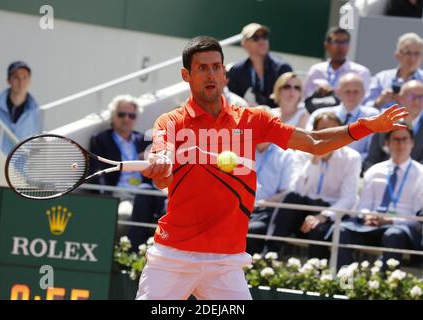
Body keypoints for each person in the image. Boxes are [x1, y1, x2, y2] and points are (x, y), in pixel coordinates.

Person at [136, 36, 408, 300]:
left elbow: (313, 142)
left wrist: (366, 127)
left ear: (225, 73)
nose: (211, 75)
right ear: (186, 75)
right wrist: (159, 164)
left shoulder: (252, 119)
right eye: (202, 68)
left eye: (216, 67)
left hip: (226, 261)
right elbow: (162, 173)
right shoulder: (170, 122)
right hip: (174, 255)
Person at [270, 112, 362, 259]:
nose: (329, 133)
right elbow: (297, 190)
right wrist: (315, 161)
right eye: (324, 129)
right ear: (315, 132)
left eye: (334, 129)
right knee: (291, 199)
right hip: (305, 206)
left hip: (330, 211)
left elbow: (348, 198)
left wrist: (323, 216)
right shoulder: (302, 153)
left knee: (317, 229)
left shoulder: (352, 158)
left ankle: (316, 273)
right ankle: (270, 254)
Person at [338, 126, 423, 268]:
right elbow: (364, 205)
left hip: (401, 228)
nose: (400, 144)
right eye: (396, 139)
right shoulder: (375, 170)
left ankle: (383, 286)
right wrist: (367, 216)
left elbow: (417, 217)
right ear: (387, 143)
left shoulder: (421, 174)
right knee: (341, 230)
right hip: (371, 225)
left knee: (393, 234)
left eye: (404, 139)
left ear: (412, 143)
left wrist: (390, 221)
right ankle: (345, 282)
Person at [307, 73, 379, 160]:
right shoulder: (320, 114)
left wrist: (348, 161)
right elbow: (309, 142)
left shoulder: (373, 116)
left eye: (356, 91)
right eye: (347, 91)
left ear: (364, 93)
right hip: (321, 163)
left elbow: (372, 152)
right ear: (338, 92)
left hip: (358, 167)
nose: (351, 96)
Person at [0, 61, 40, 154]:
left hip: (20, 167)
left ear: (29, 80)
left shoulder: (37, 113)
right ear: (8, 80)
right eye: (16, 77)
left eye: (25, 77)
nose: (21, 82)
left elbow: (39, 146)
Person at [89, 95, 151, 191]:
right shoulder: (101, 140)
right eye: (121, 114)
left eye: (131, 116)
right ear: (112, 116)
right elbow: (96, 173)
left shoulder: (144, 140)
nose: (126, 119)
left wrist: (151, 160)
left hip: (144, 193)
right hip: (118, 193)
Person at [227, 23, 293, 107]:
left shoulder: (282, 68)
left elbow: (289, 101)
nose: (261, 41)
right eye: (255, 37)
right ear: (244, 44)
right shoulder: (236, 71)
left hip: (275, 117)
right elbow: (232, 100)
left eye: (264, 36)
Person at [363, 80, 423, 172]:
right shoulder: (385, 123)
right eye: (411, 96)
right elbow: (372, 159)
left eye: (421, 97)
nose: (417, 100)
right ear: (400, 98)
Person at [247, 142, 295, 254]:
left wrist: (260, 203)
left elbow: (286, 192)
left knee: (251, 230)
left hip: (266, 210)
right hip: (240, 206)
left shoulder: (286, 155)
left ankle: (252, 268)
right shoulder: (241, 149)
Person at [303, 27, 371, 101]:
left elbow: (364, 101)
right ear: (327, 45)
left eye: (345, 42)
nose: (341, 46)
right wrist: (317, 93)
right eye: (336, 41)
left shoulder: (360, 72)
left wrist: (336, 93)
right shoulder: (316, 70)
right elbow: (305, 97)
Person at [365, 33, 423, 109]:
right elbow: (365, 109)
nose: (412, 58)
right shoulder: (381, 78)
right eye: (408, 53)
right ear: (397, 55)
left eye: (416, 53)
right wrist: (380, 101)